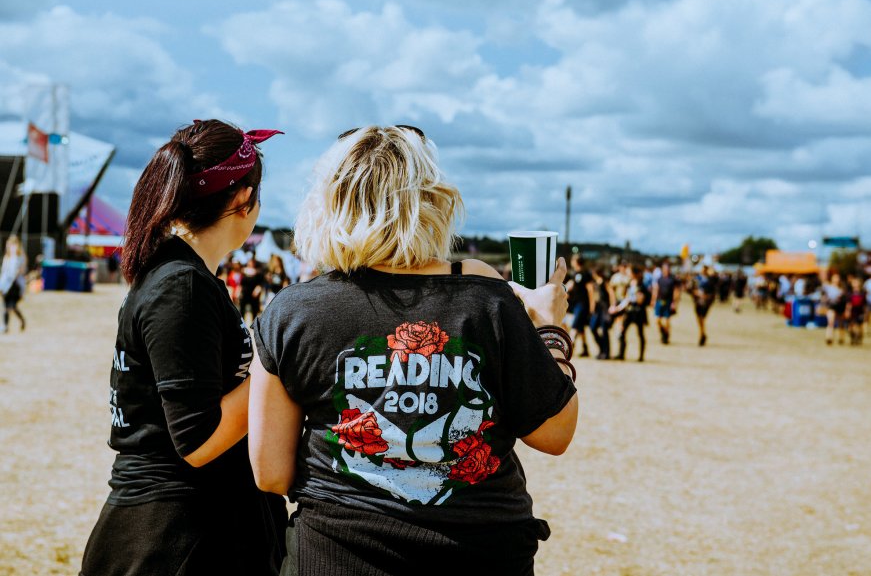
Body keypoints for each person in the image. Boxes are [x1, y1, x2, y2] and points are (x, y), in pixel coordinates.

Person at [248, 125, 578, 576]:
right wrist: (550, 331)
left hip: (333, 553)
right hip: (477, 552)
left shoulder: (291, 311)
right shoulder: (487, 301)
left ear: (329, 202)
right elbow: (554, 433)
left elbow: (270, 473)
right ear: (431, 200)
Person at [80, 119, 287, 576]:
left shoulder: (186, 276)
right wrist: (278, 369)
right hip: (174, 535)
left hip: (190, 522)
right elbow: (197, 441)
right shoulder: (181, 286)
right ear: (242, 200)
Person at [611, 266, 649, 361]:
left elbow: (641, 300)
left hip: (639, 313)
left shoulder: (641, 285)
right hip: (629, 312)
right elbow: (626, 299)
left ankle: (641, 356)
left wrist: (633, 298)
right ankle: (621, 353)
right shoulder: (630, 284)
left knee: (640, 334)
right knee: (622, 331)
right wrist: (618, 308)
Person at [565, 254, 592, 357]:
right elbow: (570, 285)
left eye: (573, 260)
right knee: (580, 328)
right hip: (576, 304)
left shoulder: (585, 274)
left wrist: (591, 306)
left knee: (575, 326)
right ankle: (585, 349)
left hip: (583, 304)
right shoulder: (575, 273)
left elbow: (590, 290)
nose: (571, 261)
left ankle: (569, 349)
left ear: (577, 261)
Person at [0, 235, 27, 333]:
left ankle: (18, 322)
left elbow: (22, 270)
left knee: (11, 306)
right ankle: (6, 326)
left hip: (15, 285)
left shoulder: (20, 257)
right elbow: (4, 272)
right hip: (6, 284)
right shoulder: (7, 257)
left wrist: (16, 273)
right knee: (7, 306)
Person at [651, 261, 679, 344]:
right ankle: (663, 332)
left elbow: (676, 291)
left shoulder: (672, 279)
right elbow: (656, 290)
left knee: (667, 321)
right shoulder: (659, 279)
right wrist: (653, 300)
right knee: (658, 321)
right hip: (660, 301)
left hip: (668, 302)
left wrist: (674, 302)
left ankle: (666, 335)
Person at [589, 267, 614, 359]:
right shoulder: (594, 284)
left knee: (604, 330)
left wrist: (612, 306)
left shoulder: (605, 282)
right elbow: (593, 297)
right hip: (597, 309)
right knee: (593, 327)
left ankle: (606, 353)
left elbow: (611, 294)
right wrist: (592, 309)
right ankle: (602, 348)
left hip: (605, 308)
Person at [689, 265, 716, 346]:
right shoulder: (696, 279)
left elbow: (713, 291)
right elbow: (691, 289)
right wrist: (696, 293)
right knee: (699, 318)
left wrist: (706, 296)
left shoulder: (711, 280)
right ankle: (702, 333)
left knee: (702, 318)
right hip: (697, 301)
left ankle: (702, 334)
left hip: (706, 302)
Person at [822, 273, 847, 345]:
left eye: (838, 278)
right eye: (835, 278)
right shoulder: (828, 287)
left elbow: (844, 300)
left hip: (840, 307)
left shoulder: (842, 289)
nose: (837, 279)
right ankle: (829, 337)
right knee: (830, 322)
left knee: (841, 324)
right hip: (831, 306)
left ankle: (841, 338)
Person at [240, 254, 265, 322]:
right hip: (245, 293)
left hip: (254, 294)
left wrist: (258, 289)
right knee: (242, 310)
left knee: (254, 310)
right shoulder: (243, 271)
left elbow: (261, 282)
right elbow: (241, 282)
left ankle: (254, 326)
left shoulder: (258, 272)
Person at [845, 276, 866, 346]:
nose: (855, 284)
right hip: (852, 311)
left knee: (859, 326)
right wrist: (847, 311)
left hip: (860, 311)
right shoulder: (849, 293)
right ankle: (853, 337)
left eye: (856, 282)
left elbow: (864, 304)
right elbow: (848, 303)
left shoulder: (862, 293)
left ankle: (859, 338)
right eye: (853, 282)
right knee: (850, 327)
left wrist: (866, 314)